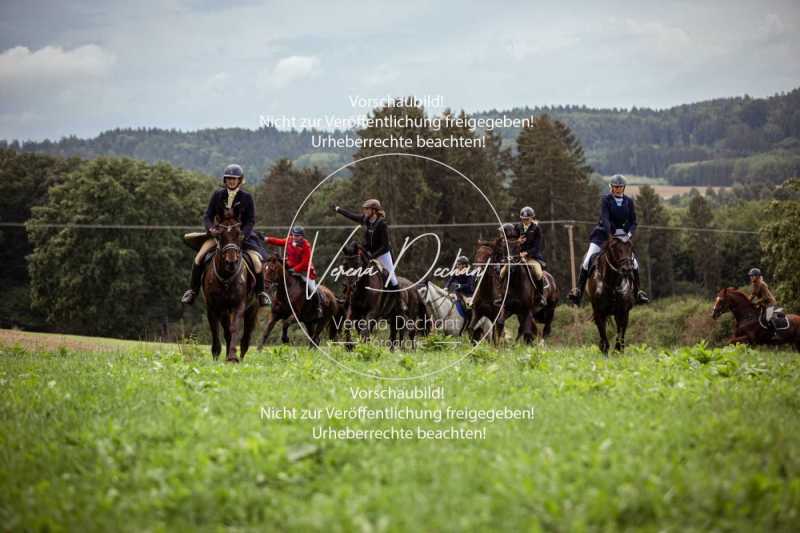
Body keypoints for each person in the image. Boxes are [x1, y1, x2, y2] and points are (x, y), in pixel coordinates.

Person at [181, 164, 269, 307]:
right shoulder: (217, 195)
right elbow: (207, 216)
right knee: (199, 258)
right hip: (219, 236)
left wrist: (244, 234)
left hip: (241, 237)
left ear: (239, 180)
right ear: (225, 180)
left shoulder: (246, 197)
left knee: (257, 263)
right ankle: (192, 291)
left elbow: (251, 220)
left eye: (234, 179)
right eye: (228, 179)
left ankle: (261, 294)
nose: (231, 181)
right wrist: (210, 230)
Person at [568, 174, 649, 306]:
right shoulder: (606, 200)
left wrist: (628, 234)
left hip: (622, 237)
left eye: (620, 187)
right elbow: (605, 218)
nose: (618, 189)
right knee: (587, 260)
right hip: (603, 235)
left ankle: (638, 292)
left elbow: (634, 222)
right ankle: (578, 291)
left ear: (624, 188)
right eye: (616, 187)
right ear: (611, 187)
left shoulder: (629, 202)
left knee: (634, 263)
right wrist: (610, 233)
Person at [332, 199, 400, 290]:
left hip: (382, 255)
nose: (365, 211)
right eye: (365, 209)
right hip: (369, 252)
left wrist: (372, 256)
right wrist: (338, 209)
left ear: (374, 210)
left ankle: (399, 302)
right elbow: (351, 215)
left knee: (392, 279)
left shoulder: (382, 224)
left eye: (367, 209)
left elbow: (385, 246)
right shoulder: (365, 219)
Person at [265, 225, 324, 318]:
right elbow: (279, 241)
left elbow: (305, 263)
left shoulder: (306, 246)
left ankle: (319, 307)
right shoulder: (290, 240)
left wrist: (295, 269)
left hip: (305, 271)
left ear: (302, 236)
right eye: (294, 235)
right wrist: (267, 239)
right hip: (291, 267)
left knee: (312, 289)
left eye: (297, 236)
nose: (295, 237)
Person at [498, 206, 547, 307]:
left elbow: (538, 246)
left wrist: (527, 253)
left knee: (538, 273)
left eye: (527, 219)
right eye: (523, 219)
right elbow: (512, 242)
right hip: (517, 257)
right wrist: (517, 242)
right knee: (502, 271)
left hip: (532, 257)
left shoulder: (536, 229)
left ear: (532, 218)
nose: (525, 221)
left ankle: (541, 295)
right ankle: (500, 295)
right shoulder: (517, 227)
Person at [748, 267, 781, 340]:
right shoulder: (754, 284)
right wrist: (747, 301)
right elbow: (753, 295)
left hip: (770, 303)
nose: (751, 277)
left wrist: (756, 302)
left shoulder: (762, 284)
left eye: (752, 276)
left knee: (768, 318)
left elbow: (765, 297)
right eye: (750, 276)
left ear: (757, 276)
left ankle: (776, 333)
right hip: (763, 304)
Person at [446, 255, 476, 320]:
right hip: (458, 292)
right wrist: (446, 287)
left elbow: (469, 285)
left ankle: (470, 320)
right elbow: (450, 280)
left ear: (464, 265)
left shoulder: (470, 273)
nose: (457, 266)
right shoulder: (456, 271)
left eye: (459, 264)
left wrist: (460, 286)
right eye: (457, 264)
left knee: (469, 306)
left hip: (468, 293)